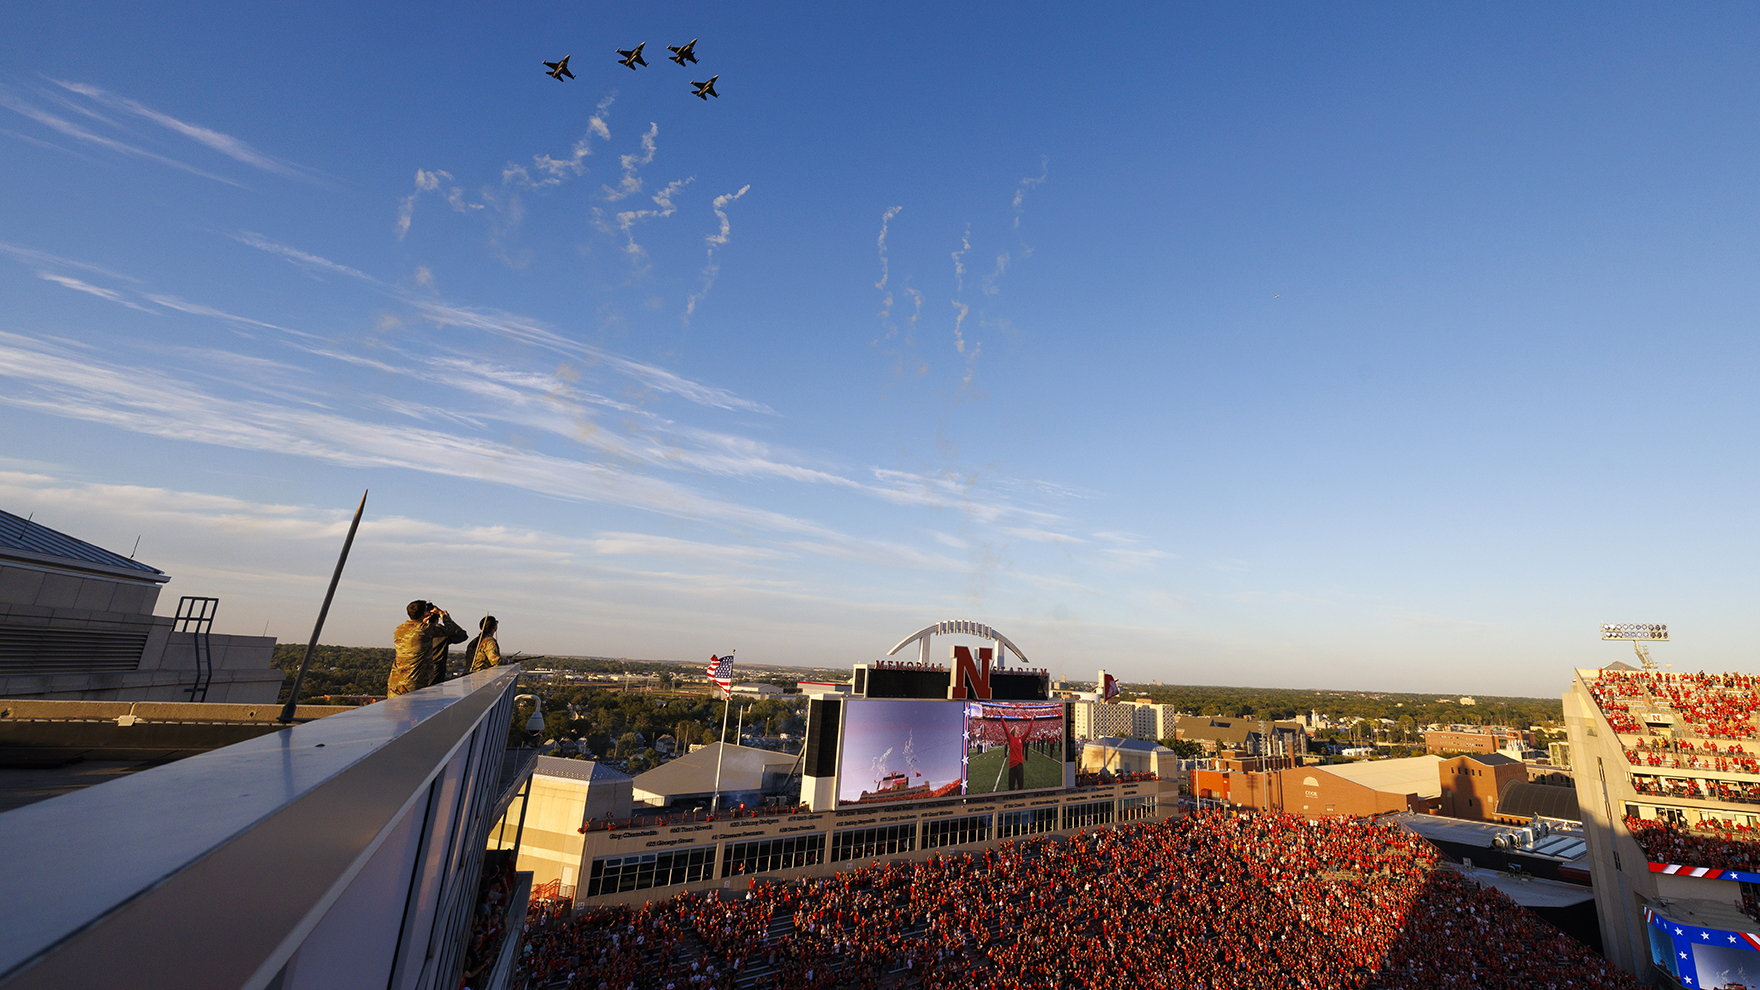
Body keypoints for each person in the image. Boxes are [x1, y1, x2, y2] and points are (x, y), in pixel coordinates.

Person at [388, 599, 466, 697]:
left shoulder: (399, 629)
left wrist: (424, 620)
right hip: (414, 683)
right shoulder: (426, 630)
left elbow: (415, 631)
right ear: (423, 613)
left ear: (408, 613)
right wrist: (443, 614)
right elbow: (451, 629)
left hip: (395, 681)